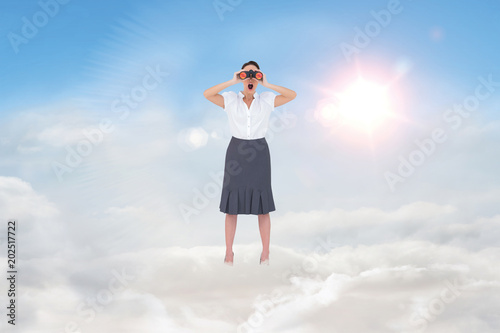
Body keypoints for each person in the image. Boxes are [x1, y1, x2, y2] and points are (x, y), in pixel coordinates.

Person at [203, 60, 296, 266]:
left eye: (254, 75)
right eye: (247, 75)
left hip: (259, 152)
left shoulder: (266, 100)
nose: (250, 78)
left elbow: (292, 95)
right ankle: (229, 253)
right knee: (231, 207)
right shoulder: (230, 100)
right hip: (236, 152)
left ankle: (266, 253)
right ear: (241, 79)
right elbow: (207, 94)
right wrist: (233, 79)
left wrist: (267, 83)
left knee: (263, 207)